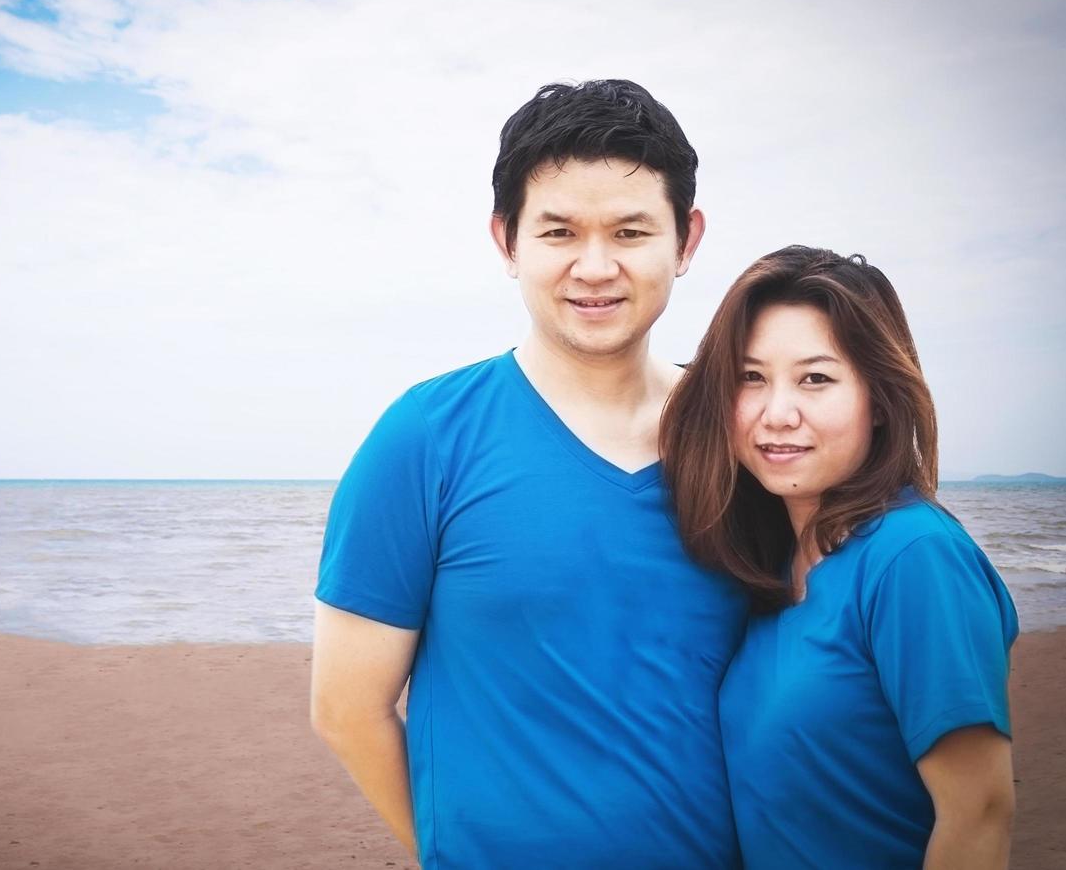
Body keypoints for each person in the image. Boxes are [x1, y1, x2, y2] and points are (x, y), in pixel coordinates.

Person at [310, 79, 749, 868]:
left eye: (629, 231)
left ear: (685, 241)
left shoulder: (740, 439)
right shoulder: (426, 436)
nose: (593, 266)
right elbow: (346, 707)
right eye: (557, 232)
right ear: (506, 241)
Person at [660, 245, 1017, 869]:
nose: (778, 414)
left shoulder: (914, 558)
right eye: (751, 378)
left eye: (816, 379)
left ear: (879, 398)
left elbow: (980, 814)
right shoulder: (775, 567)